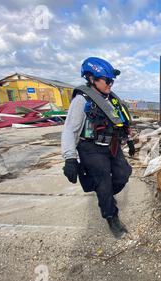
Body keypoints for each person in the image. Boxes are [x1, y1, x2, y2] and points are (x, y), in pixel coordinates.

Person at [61, 57, 135, 239]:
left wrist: (129, 140)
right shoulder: (81, 100)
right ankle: (111, 216)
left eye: (112, 80)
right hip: (91, 148)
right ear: (92, 79)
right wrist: (70, 158)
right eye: (107, 80)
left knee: (123, 174)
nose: (111, 84)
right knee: (103, 183)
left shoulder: (111, 99)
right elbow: (69, 130)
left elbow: (120, 122)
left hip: (112, 145)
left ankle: (104, 193)